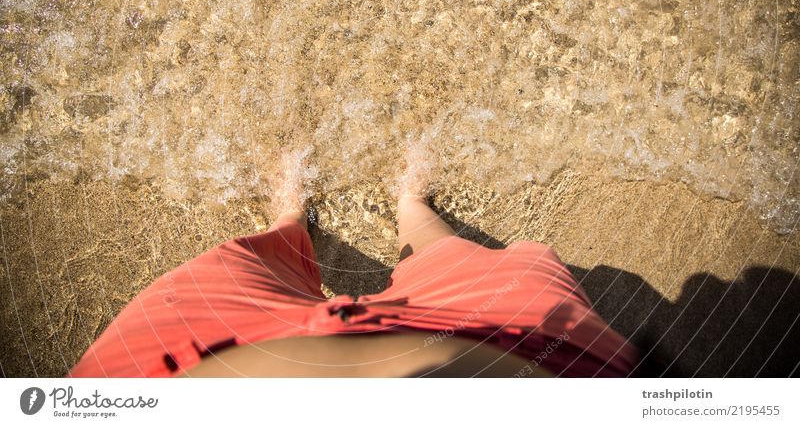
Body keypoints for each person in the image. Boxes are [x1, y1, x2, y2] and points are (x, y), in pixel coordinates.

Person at [68, 148, 638, 378]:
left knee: (238, 269)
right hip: (502, 359)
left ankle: (292, 225)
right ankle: (411, 207)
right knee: (472, 270)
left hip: (206, 370)